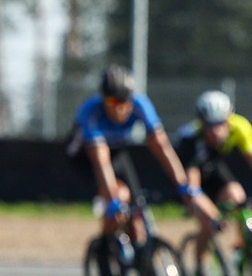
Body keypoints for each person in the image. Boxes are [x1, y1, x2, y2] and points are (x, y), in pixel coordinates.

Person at [72, 66, 192, 247]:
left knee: (136, 216)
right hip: (87, 158)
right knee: (119, 201)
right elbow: (101, 159)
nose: (120, 109)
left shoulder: (140, 105)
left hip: (118, 153)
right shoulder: (92, 112)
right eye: (113, 102)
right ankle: (105, 249)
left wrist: (183, 185)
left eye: (124, 102)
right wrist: (113, 199)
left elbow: (162, 146)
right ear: (104, 100)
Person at [175, 89, 252, 252]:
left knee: (237, 195)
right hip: (192, 179)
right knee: (208, 223)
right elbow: (193, 184)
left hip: (214, 169)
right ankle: (200, 268)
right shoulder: (191, 139)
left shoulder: (240, 126)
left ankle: (241, 244)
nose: (216, 131)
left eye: (220, 124)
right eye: (210, 125)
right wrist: (211, 215)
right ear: (202, 123)